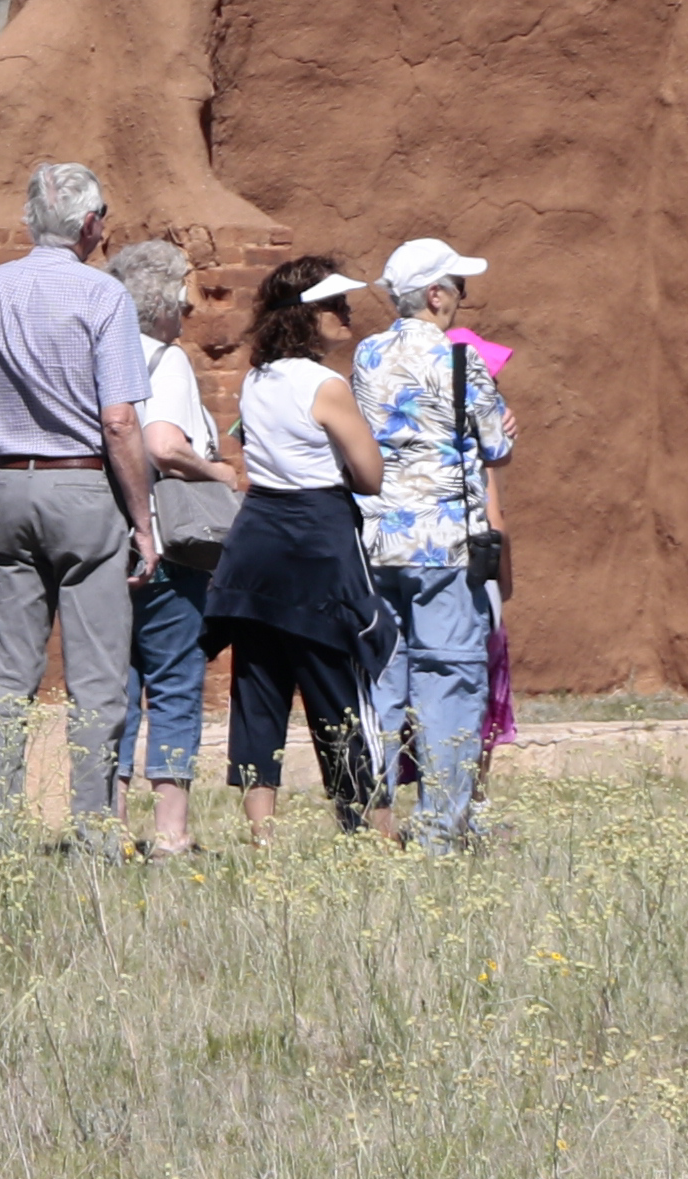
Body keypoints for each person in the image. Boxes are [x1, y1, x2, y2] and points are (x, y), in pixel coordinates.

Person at [0, 163, 161, 852]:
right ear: (91, 224)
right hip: (83, 485)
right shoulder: (105, 295)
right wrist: (142, 520)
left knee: (9, 678)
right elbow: (121, 422)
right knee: (98, 678)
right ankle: (96, 833)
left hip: (10, 483)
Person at [201, 255, 387, 836]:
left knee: (258, 685)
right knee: (340, 685)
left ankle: (262, 836)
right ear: (306, 317)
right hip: (316, 540)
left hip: (257, 542)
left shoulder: (255, 379)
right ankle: (372, 831)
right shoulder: (326, 385)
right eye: (334, 305)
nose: (346, 313)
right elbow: (370, 474)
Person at [344, 234, 515, 850]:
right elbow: (497, 445)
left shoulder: (365, 355)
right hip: (444, 545)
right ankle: (441, 829)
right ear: (436, 295)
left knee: (385, 681)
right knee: (450, 681)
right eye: (458, 288)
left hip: (377, 538)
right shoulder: (461, 361)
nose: (462, 300)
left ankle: (374, 825)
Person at [106, 237, 229, 857]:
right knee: (176, 680)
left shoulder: (99, 357)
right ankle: (171, 832)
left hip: (106, 543)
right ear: (161, 300)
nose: (189, 310)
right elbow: (162, 444)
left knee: (115, 687)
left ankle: (112, 825)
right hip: (168, 546)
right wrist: (223, 474)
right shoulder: (166, 361)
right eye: (184, 296)